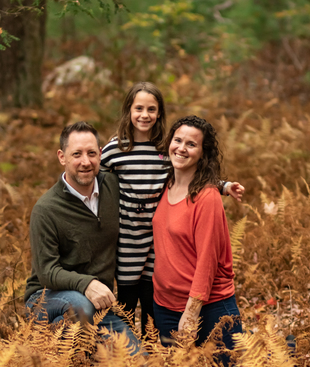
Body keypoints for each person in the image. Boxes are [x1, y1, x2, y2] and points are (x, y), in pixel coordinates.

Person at [101, 82, 244, 336]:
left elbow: (193, 171)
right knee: (125, 301)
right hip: (129, 238)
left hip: (157, 241)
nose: (145, 115)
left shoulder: (164, 149)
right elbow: (93, 174)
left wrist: (223, 186)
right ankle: (124, 356)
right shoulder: (115, 149)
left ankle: (150, 348)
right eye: (139, 108)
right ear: (128, 111)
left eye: (151, 109)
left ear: (159, 114)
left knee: (150, 302)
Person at [24, 121, 140, 354]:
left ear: (100, 154)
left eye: (91, 153)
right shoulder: (46, 209)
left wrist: (219, 186)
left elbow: (159, 177)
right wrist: (86, 283)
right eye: (76, 154)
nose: (85, 162)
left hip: (99, 305)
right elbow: (46, 271)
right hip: (47, 298)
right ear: (62, 157)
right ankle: (60, 348)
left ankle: (79, 344)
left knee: (140, 365)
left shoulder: (113, 186)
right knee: (79, 307)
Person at [152, 115, 242, 366]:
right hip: (165, 306)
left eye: (191, 144)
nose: (181, 148)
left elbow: (207, 260)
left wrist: (191, 314)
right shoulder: (165, 183)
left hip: (209, 308)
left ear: (203, 153)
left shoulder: (207, 197)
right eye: (177, 140)